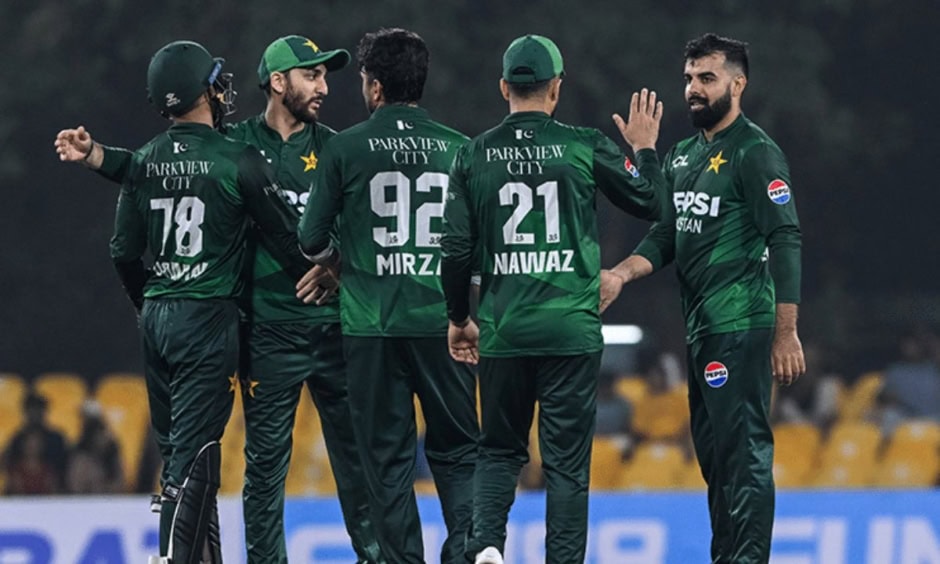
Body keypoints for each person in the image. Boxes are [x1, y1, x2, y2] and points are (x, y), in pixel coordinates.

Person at [54, 35, 381, 564]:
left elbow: (147, 175)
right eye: (312, 74)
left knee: (353, 461)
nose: (324, 86)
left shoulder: (336, 148)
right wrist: (329, 269)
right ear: (279, 82)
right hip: (264, 329)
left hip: (330, 327)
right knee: (255, 470)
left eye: (325, 75)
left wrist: (96, 157)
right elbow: (184, 168)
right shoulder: (237, 145)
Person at [440, 34, 664, 564]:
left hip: (505, 328)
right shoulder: (583, 145)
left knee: (499, 451)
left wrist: (459, 316)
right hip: (570, 329)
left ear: (504, 87)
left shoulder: (473, 154)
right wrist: (645, 149)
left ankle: (486, 545)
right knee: (566, 466)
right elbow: (651, 202)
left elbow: (454, 249)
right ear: (557, 88)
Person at [600, 33, 806, 563]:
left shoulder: (755, 152)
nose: (693, 88)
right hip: (703, 329)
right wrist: (620, 274)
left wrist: (786, 332)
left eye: (707, 78)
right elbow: (667, 233)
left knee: (744, 453)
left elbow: (785, 237)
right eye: (689, 78)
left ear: (738, 85)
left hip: (740, 323)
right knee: (715, 458)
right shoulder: (684, 155)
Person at [108, 40, 313, 563]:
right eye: (215, 82)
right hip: (207, 317)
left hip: (158, 315)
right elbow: (287, 239)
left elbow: (123, 251)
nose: (223, 91)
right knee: (194, 462)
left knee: (180, 455)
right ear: (203, 92)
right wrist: (325, 276)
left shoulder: (144, 159)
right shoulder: (236, 158)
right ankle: (171, 558)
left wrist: (147, 304)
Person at [297, 28, 479, 564]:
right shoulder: (460, 148)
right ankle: (465, 554)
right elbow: (476, 245)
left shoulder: (343, 147)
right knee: (459, 453)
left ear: (374, 86)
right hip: (442, 324)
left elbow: (310, 238)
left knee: (387, 462)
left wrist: (341, 266)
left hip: (370, 327)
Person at [2, 392, 68, 495]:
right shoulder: (16, 439)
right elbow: (7, 464)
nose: (35, 414)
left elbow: (64, 468)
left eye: (38, 410)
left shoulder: (56, 439)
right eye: (32, 410)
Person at [66, 400, 125, 494]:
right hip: (85, 498)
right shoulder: (80, 454)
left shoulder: (112, 450)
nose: (84, 422)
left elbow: (119, 482)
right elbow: (75, 486)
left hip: (109, 497)